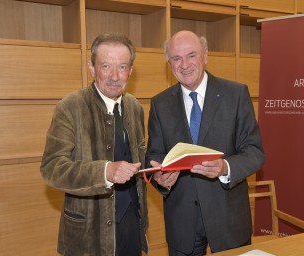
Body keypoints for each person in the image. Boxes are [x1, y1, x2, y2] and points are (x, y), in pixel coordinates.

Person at [145, 30, 265, 255]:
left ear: (205, 56)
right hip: (182, 224)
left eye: (191, 55)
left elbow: (254, 152)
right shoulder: (160, 103)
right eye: (176, 58)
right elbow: (154, 155)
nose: (184, 64)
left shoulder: (236, 95)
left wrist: (224, 167)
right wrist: (161, 178)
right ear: (169, 64)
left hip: (229, 220)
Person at [40, 33, 148, 256]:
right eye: (106, 66)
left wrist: (161, 173)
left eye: (122, 67)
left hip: (132, 228)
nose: (115, 76)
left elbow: (140, 160)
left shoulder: (135, 107)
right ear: (91, 67)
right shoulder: (70, 106)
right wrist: (104, 171)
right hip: (88, 238)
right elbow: (52, 168)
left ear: (131, 70)